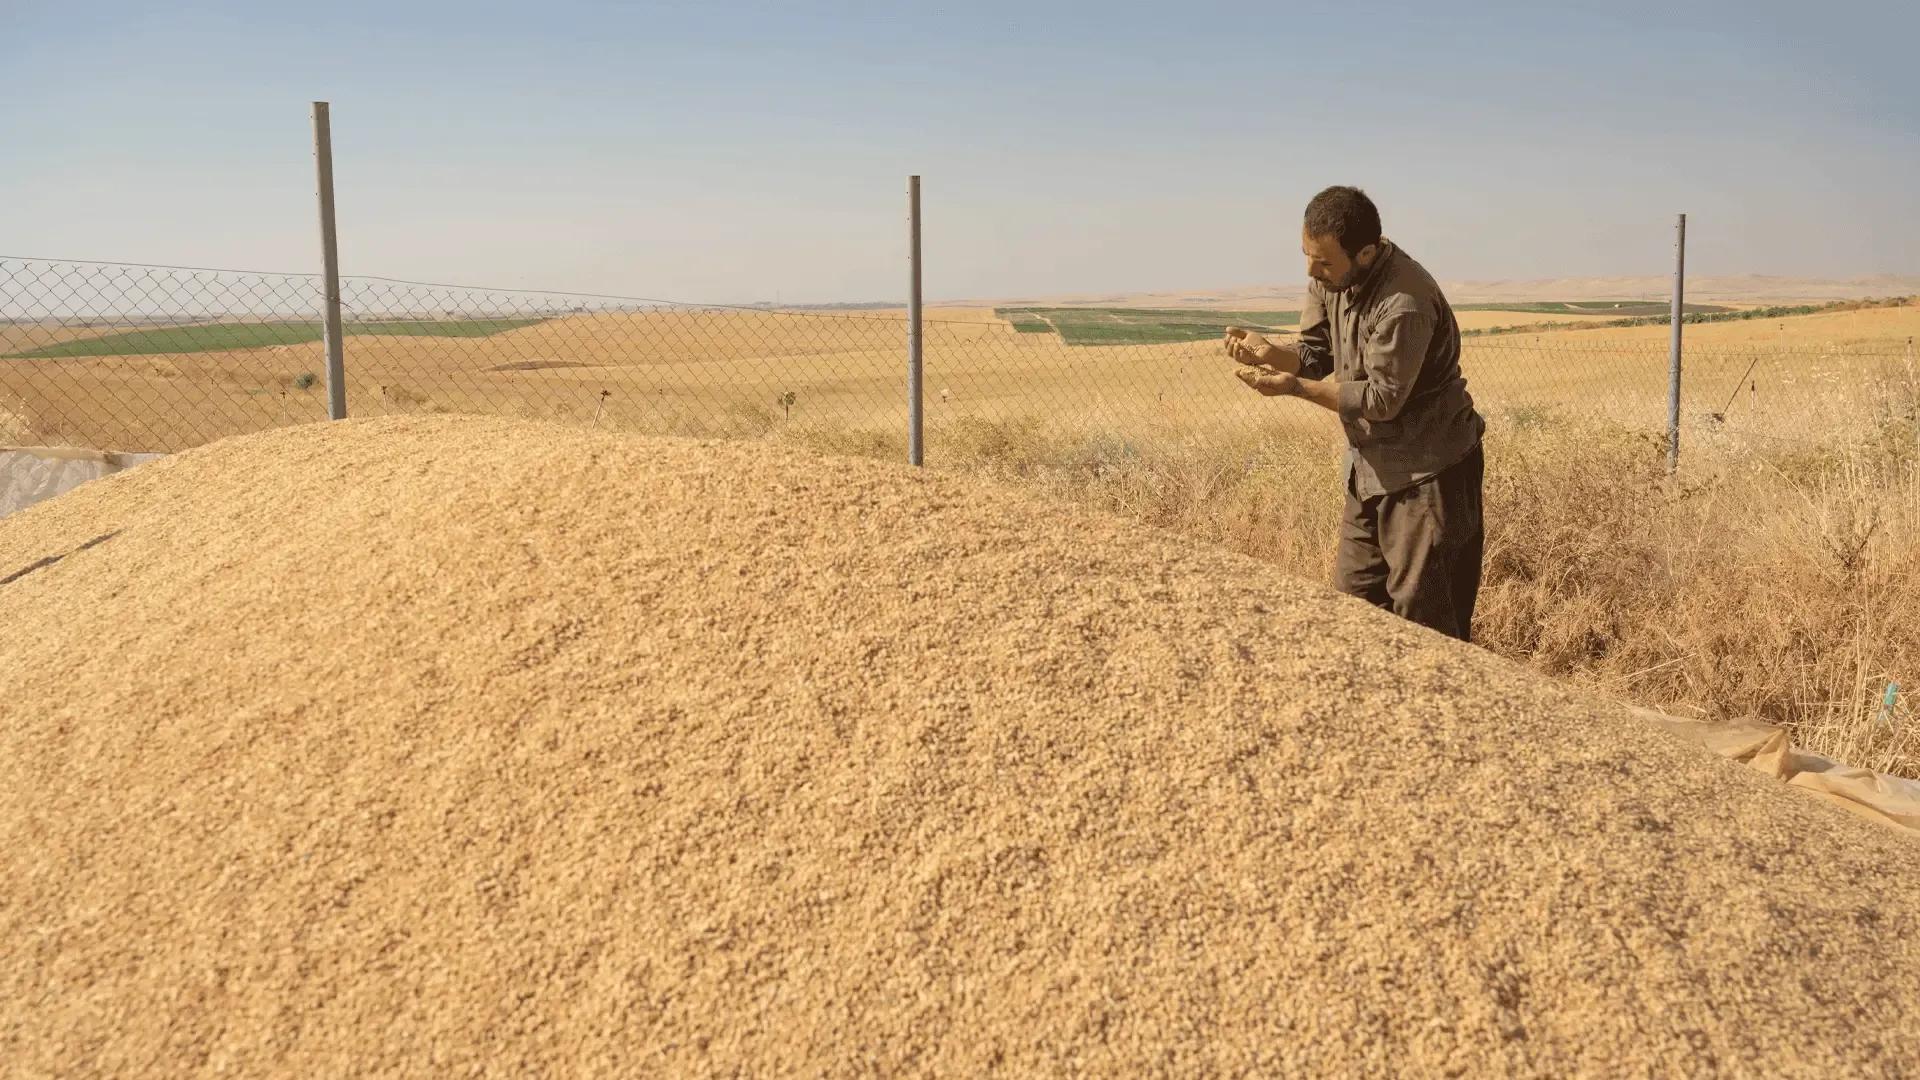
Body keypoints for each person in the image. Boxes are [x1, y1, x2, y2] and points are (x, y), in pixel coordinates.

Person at [1222, 186, 1486, 641]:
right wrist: (1271, 354)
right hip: (1369, 471)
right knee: (1352, 611)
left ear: (1365, 253)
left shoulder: (1404, 301)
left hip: (1428, 476)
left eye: (1323, 261)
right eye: (1306, 255)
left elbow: (1383, 400)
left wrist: (1295, 389)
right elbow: (1316, 352)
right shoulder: (1329, 280)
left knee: (1425, 627)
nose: (1311, 270)